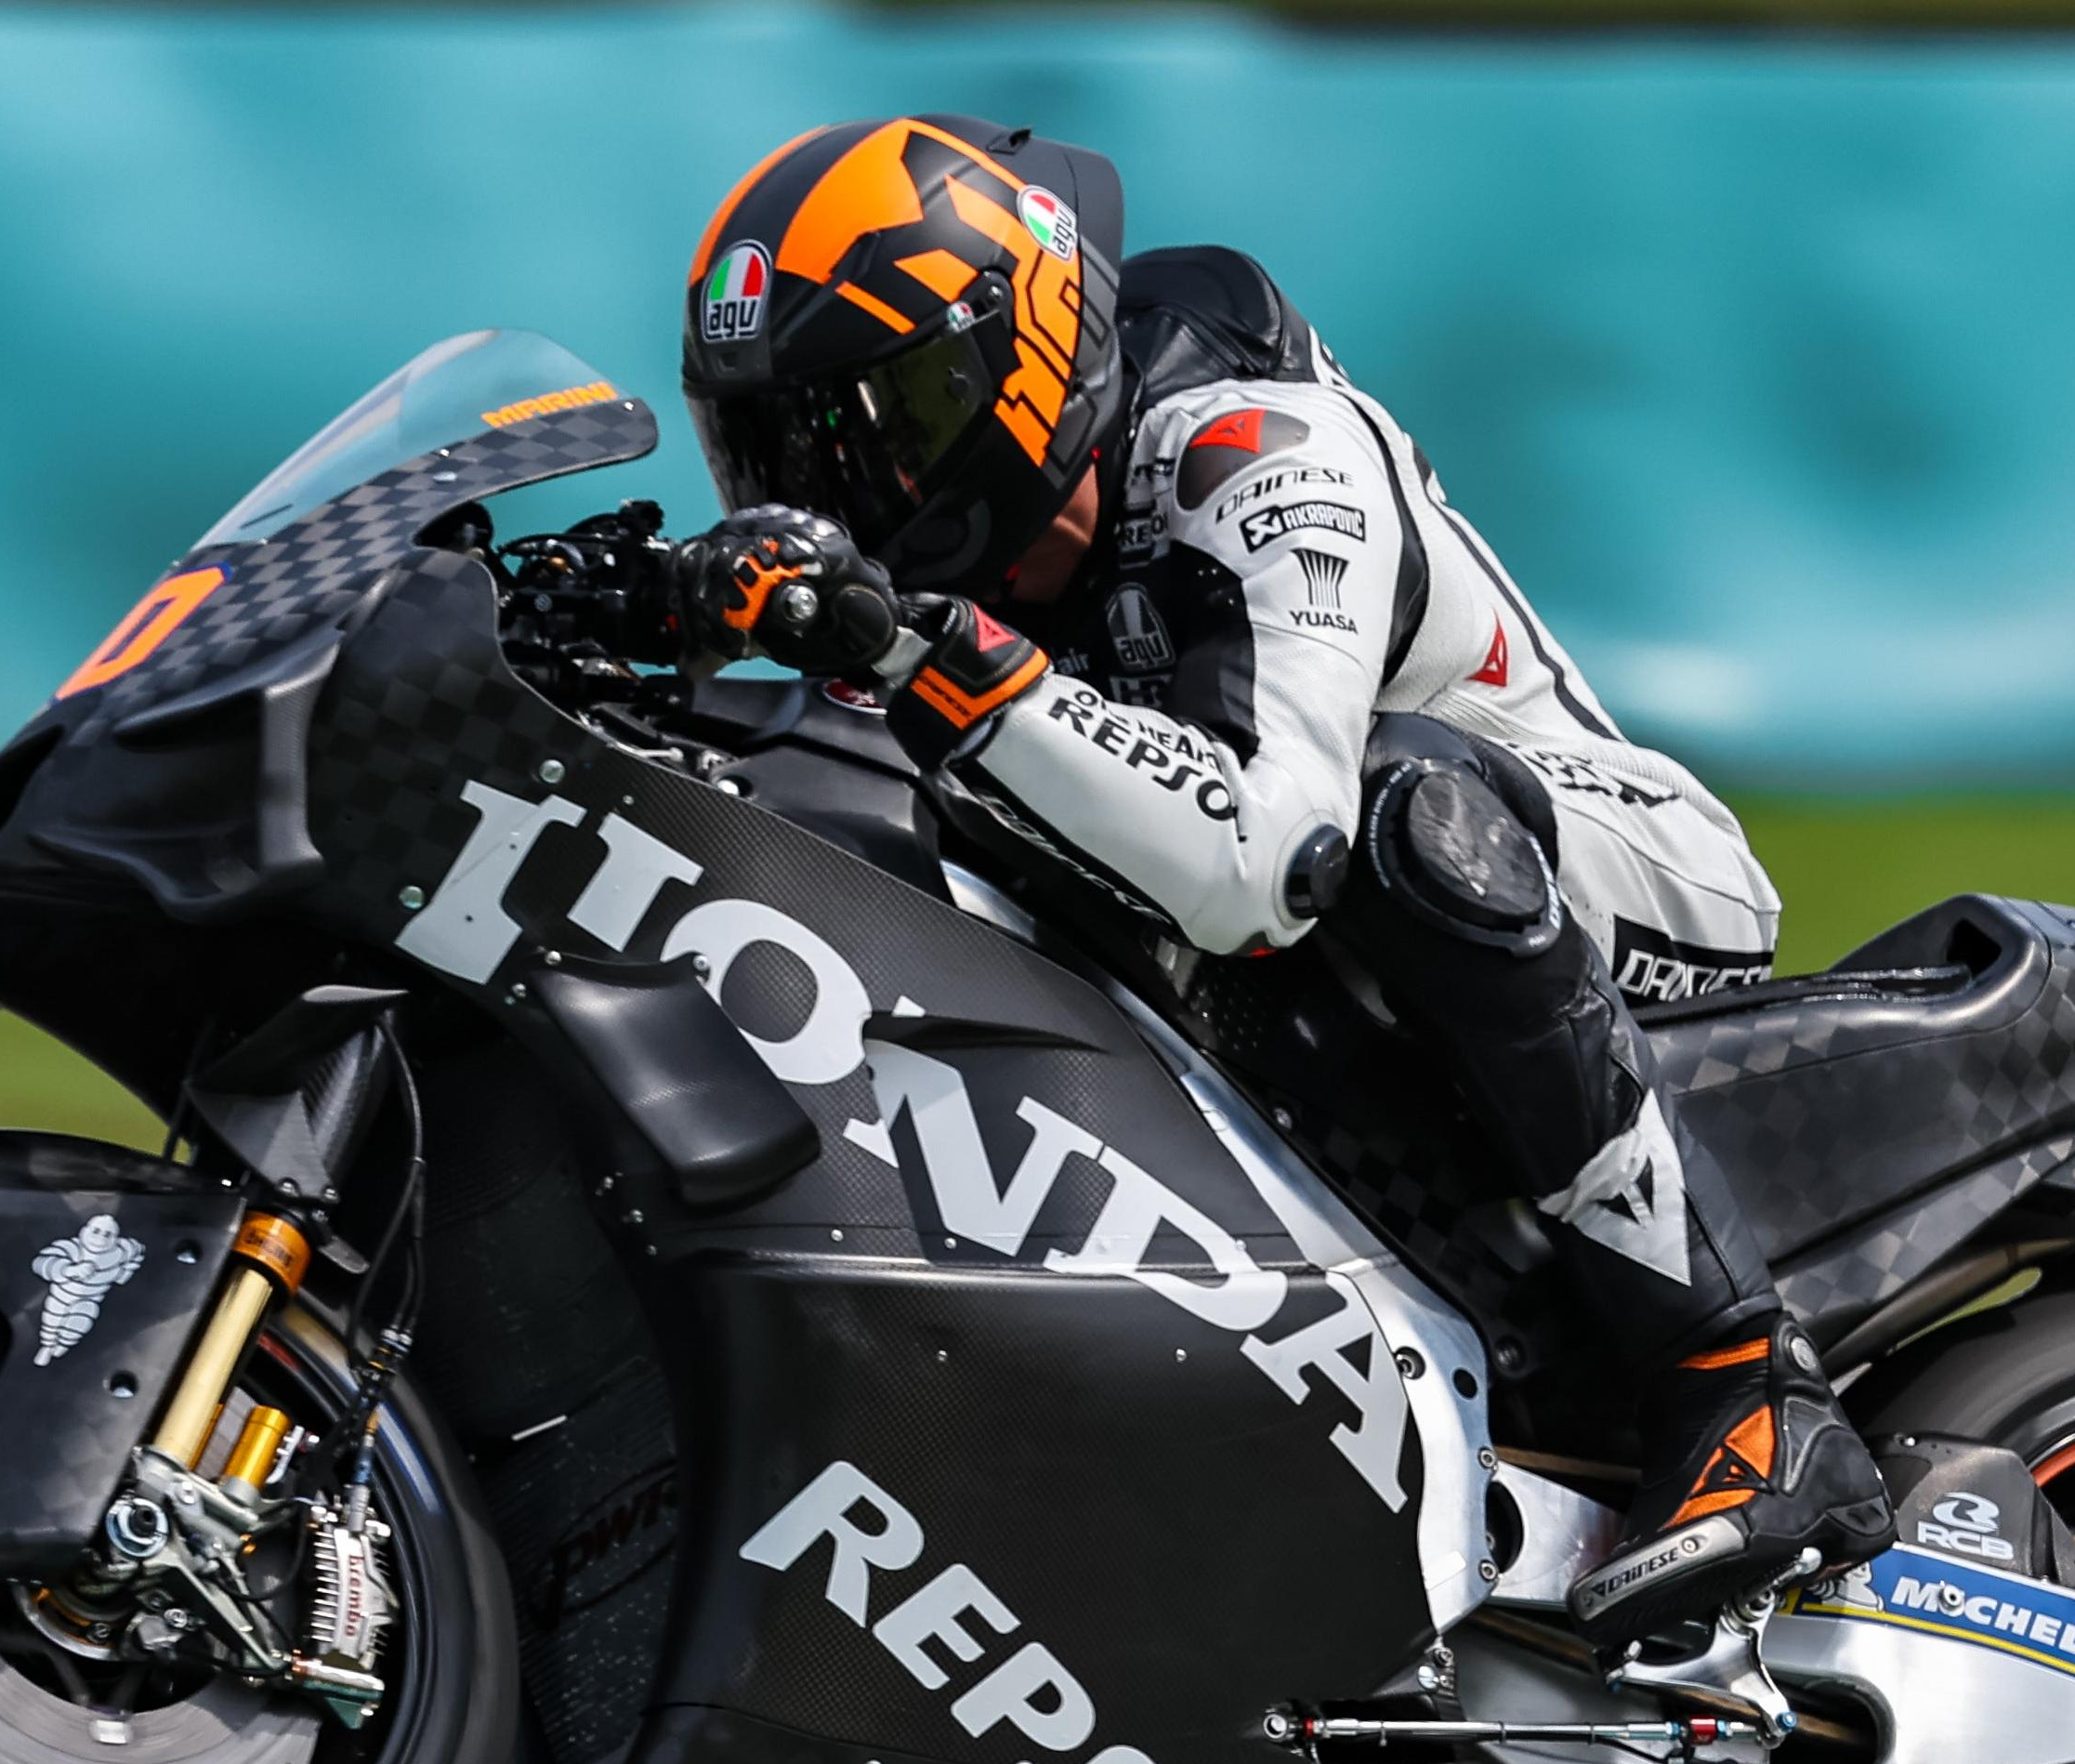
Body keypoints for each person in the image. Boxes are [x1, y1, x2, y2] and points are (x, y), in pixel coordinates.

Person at [663, 114, 1888, 1645]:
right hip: (1324, 920)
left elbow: (1262, 859)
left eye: (874, 420)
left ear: (1019, 349)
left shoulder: (1255, 451)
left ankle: (1748, 1386)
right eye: (777, 450)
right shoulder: (946, 580)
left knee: (1400, 823)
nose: (836, 483)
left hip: (1626, 869)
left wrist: (911, 649)